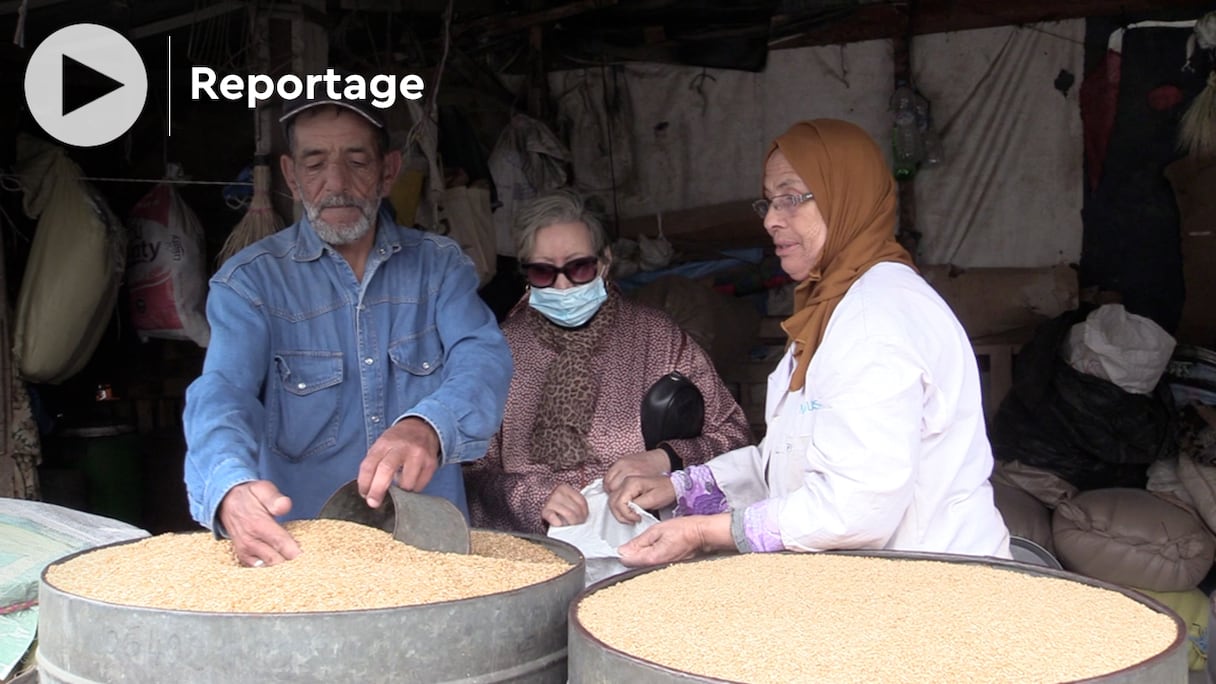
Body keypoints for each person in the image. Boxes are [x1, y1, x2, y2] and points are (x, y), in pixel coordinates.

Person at [609, 119, 1011, 565]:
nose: (771, 220)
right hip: (880, 585)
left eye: (792, 198)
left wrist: (706, 531)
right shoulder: (829, 307)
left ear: (847, 198)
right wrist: (682, 486)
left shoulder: (874, 317)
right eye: (768, 200)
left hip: (935, 588)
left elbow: (854, 507)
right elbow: (785, 463)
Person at [183, 86, 513, 568]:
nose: (335, 182)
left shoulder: (439, 268)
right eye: (314, 163)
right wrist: (228, 484)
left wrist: (430, 423)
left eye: (356, 161)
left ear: (388, 171)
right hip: (304, 558)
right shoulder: (249, 283)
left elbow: (483, 358)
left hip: (431, 554)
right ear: (291, 177)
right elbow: (221, 394)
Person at [464, 189, 752, 534]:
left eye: (579, 268)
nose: (563, 285)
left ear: (604, 263)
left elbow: (736, 437)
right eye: (544, 272)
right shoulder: (501, 352)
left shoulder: (655, 337)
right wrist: (532, 497)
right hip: (540, 555)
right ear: (526, 274)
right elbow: (466, 470)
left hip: (649, 544)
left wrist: (667, 459)